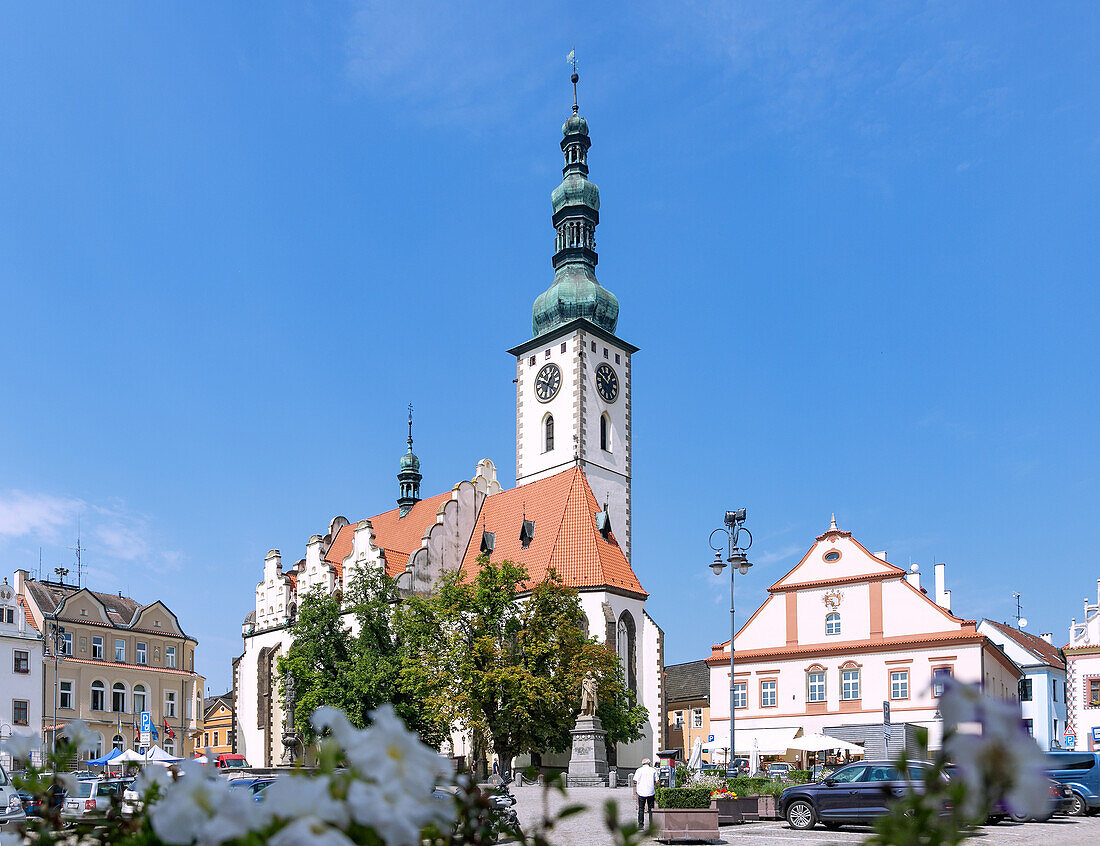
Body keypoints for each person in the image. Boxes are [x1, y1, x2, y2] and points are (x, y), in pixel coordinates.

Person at [632, 757, 658, 829]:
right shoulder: (653, 770)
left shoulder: (639, 770)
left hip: (641, 792)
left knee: (641, 808)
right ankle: (651, 825)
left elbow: (635, 780)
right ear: (649, 763)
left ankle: (641, 825)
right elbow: (657, 781)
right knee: (651, 809)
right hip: (651, 792)